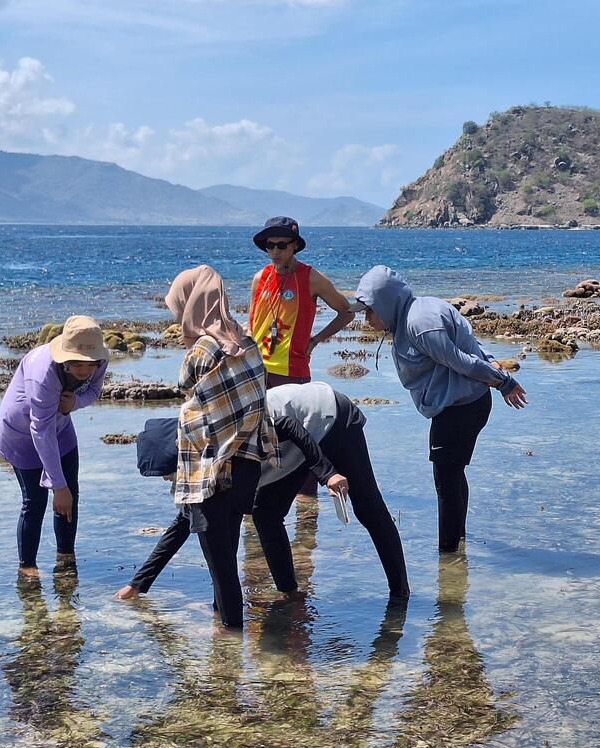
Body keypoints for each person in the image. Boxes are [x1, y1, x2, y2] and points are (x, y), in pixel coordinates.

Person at [116, 382, 410, 601]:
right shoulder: (202, 460)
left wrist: (327, 473)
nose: (171, 482)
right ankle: (290, 594)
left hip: (330, 418)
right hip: (294, 445)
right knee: (265, 515)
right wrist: (138, 585)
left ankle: (400, 594)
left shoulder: (229, 433)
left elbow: (288, 425)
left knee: (369, 509)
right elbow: (184, 521)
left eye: (170, 475)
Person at [120, 265, 279, 629]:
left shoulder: (202, 351)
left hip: (212, 473)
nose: (177, 317)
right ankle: (222, 624)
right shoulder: (249, 341)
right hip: (247, 468)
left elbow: (191, 397)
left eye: (179, 308)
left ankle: (229, 653)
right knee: (226, 553)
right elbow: (244, 404)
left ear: (192, 304)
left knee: (222, 567)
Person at [349, 265, 528, 553]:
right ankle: (459, 542)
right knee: (453, 475)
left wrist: (504, 381)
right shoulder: (415, 311)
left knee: (445, 482)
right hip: (462, 403)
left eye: (369, 311)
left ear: (385, 302)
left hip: (461, 407)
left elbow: (462, 360)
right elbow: (470, 344)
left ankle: (447, 558)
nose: (366, 319)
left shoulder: (419, 323)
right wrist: (493, 362)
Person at [247, 216, 354, 501]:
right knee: (255, 443)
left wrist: (317, 339)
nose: (275, 251)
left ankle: (307, 519)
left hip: (293, 372)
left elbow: (346, 311)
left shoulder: (311, 278)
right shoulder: (260, 278)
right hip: (257, 373)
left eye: (282, 245)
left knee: (302, 444)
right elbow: (252, 325)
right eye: (270, 246)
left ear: (295, 245)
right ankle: (254, 503)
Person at [0, 316, 109, 577]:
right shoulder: (43, 373)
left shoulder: (100, 360)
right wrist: (57, 485)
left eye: (88, 364)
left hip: (60, 423)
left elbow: (93, 391)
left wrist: (74, 404)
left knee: (71, 494)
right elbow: (40, 429)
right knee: (35, 501)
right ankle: (27, 567)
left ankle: (65, 557)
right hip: (22, 431)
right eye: (76, 364)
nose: (83, 370)